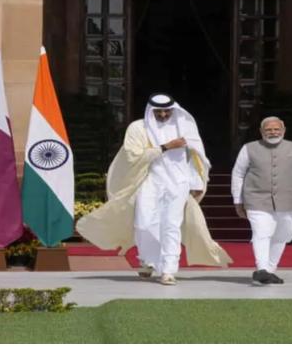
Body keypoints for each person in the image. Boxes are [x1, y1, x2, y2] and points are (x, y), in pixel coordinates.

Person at [77, 94, 231, 285]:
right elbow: (133, 156)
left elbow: (197, 156)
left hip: (179, 182)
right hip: (149, 180)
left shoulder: (185, 125)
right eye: (159, 111)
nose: (164, 114)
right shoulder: (138, 128)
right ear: (151, 111)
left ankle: (168, 270)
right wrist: (165, 147)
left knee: (171, 225)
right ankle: (148, 260)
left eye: (167, 111)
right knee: (143, 222)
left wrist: (197, 183)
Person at [232, 116, 292, 285]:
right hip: (256, 198)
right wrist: (238, 200)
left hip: (290, 200)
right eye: (268, 130)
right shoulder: (248, 148)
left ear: (283, 130)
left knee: (284, 234)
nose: (273, 132)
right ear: (261, 131)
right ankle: (261, 269)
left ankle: (269, 270)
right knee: (261, 232)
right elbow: (238, 174)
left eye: (276, 129)